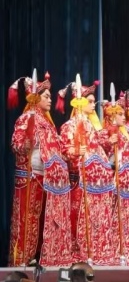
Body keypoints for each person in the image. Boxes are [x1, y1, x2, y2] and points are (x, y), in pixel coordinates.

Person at [8, 72, 73, 267]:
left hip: (47, 179)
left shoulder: (48, 123)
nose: (50, 100)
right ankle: (22, 259)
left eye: (51, 96)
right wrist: (25, 145)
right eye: (46, 96)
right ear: (36, 97)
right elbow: (15, 144)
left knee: (43, 219)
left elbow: (58, 147)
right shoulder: (26, 118)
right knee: (27, 219)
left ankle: (38, 256)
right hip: (30, 176)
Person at [59, 78, 117, 265]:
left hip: (100, 184)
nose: (93, 105)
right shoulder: (69, 126)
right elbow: (64, 150)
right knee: (83, 220)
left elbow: (102, 150)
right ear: (80, 102)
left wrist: (110, 142)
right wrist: (76, 151)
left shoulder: (94, 127)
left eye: (94, 101)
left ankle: (101, 252)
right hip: (81, 182)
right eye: (90, 102)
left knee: (100, 220)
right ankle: (82, 254)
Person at [98, 97, 129, 266]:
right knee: (116, 215)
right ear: (111, 116)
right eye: (120, 114)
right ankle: (116, 252)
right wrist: (109, 143)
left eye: (124, 114)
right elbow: (101, 153)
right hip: (115, 178)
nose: (124, 117)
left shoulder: (126, 133)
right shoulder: (104, 132)